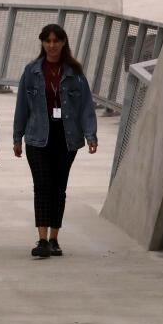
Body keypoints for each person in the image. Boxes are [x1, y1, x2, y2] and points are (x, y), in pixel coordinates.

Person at [13, 23, 99, 258]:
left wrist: (91, 134)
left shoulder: (74, 72)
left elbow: (85, 106)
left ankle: (54, 238)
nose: (51, 45)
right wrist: (17, 137)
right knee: (42, 186)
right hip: (37, 137)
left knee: (58, 187)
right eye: (47, 41)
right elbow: (22, 106)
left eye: (56, 41)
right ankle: (41, 239)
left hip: (66, 137)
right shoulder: (31, 71)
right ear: (42, 42)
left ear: (63, 43)